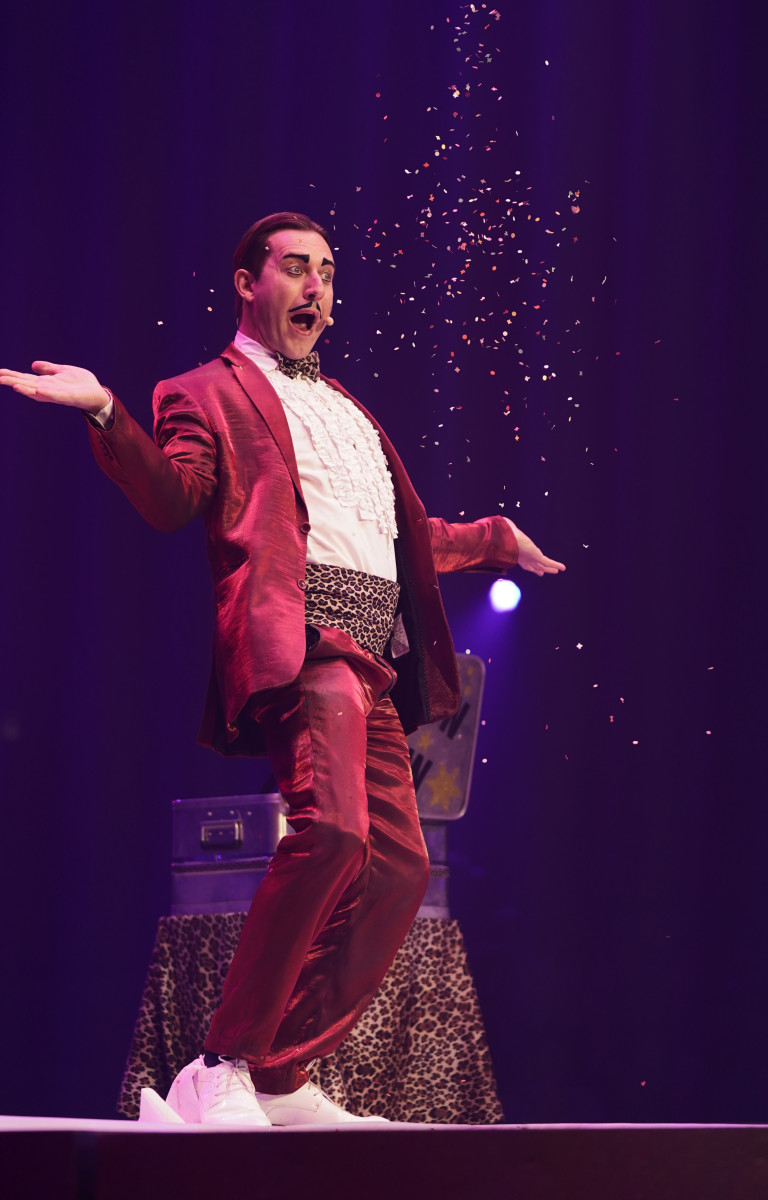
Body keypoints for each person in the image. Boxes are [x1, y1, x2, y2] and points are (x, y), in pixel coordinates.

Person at [0, 211, 565, 1127]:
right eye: (297, 268)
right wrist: (105, 410)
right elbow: (173, 498)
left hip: (373, 661)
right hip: (304, 643)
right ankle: (217, 1064)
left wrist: (494, 538)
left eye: (328, 273)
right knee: (333, 833)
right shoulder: (203, 391)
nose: (316, 288)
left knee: (397, 871)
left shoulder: (348, 410)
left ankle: (275, 1073)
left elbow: (404, 539)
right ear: (247, 282)